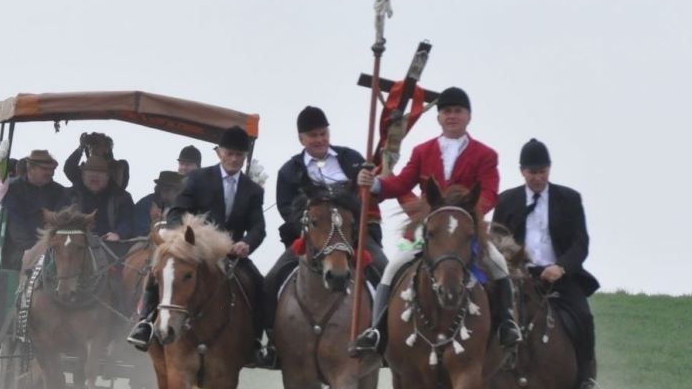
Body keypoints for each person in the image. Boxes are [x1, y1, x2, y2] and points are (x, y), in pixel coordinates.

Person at [353, 87, 520, 357]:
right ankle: (377, 331)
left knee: (498, 264)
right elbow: (402, 183)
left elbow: (489, 193)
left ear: (468, 117)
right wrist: (374, 185)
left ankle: (507, 324)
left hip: (466, 231)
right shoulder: (422, 151)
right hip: (427, 230)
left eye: (458, 111)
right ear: (439, 118)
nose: (452, 116)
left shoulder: (485, 154)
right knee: (393, 266)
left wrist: (465, 215)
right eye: (446, 111)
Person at [128, 126, 268, 360]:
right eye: (229, 153)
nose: (234, 159)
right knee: (159, 270)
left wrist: (246, 243)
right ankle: (145, 324)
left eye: (239, 154)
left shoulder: (252, 190)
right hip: (193, 250)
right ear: (219, 153)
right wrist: (178, 238)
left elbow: (258, 227)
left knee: (260, 284)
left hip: (231, 255)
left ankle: (255, 343)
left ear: (244, 157)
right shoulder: (198, 178)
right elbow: (177, 212)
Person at [492, 139, 603, 389]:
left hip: (559, 275)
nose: (538, 178)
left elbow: (581, 242)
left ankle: (586, 380)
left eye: (542, 171)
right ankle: (481, 375)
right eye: (532, 172)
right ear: (522, 171)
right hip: (518, 277)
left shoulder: (569, 198)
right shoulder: (507, 200)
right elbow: (495, 240)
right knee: (489, 312)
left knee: (584, 317)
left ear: (550, 169)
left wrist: (561, 267)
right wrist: (511, 267)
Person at [270, 105, 385, 276]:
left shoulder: (352, 158)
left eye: (323, 134)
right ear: (301, 139)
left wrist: (368, 181)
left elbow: (375, 195)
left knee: (384, 267)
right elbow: (286, 208)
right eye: (313, 135)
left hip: (354, 233)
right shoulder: (288, 171)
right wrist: (310, 227)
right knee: (273, 277)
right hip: (311, 235)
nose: (319, 139)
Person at [0, 148, 70, 261]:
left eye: (52, 169)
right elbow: (16, 225)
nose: (50, 173)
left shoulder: (60, 191)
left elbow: (60, 218)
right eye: (44, 169)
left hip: (53, 248)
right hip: (20, 250)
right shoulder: (14, 188)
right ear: (30, 169)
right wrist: (31, 249)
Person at [68, 153, 135, 241]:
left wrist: (118, 234)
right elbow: (61, 217)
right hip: (76, 243)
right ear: (83, 175)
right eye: (90, 173)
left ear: (107, 176)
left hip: (110, 245)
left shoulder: (122, 197)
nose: (95, 177)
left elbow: (127, 221)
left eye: (100, 173)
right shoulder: (70, 194)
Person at [133, 170, 185, 238]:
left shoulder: (176, 206)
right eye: (177, 191)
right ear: (165, 190)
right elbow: (142, 233)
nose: (179, 195)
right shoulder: (146, 205)